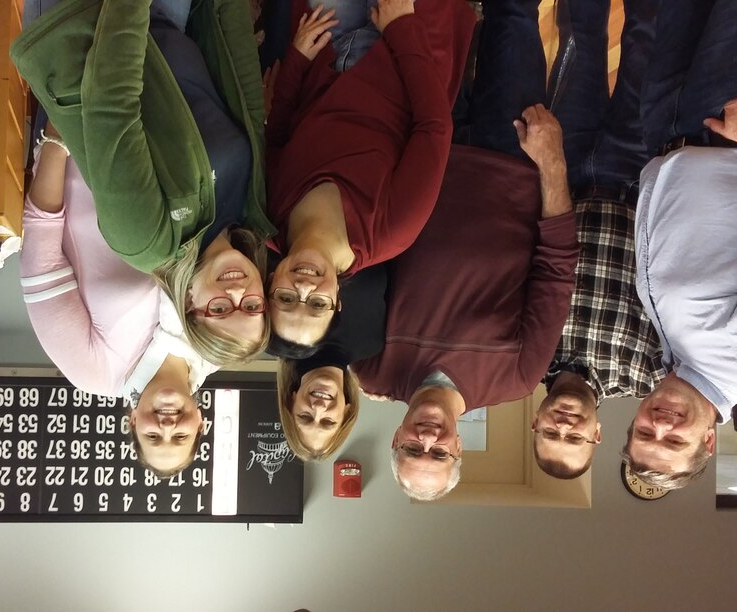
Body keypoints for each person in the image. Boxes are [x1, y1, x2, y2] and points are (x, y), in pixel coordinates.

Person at [354, 0, 580, 501]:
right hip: (514, 156)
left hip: (426, 144)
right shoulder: (517, 379)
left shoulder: (372, 367)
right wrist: (551, 163)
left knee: (440, 12)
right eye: (439, 453)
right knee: (516, 17)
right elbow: (555, 271)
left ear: (395, 439)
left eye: (414, 450)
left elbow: (369, 254)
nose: (428, 440)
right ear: (460, 448)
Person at [11, 0, 276, 367]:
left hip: (88, 22)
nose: (236, 292)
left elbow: (112, 104)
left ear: (188, 305)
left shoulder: (148, 241)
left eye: (220, 308)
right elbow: (244, 100)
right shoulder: (250, 215)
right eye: (251, 306)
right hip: (170, 21)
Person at [622, 0, 737, 490]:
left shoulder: (674, 356)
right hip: (736, 120)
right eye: (673, 441)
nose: (661, 424)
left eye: (645, 431)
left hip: (673, 124)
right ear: (708, 441)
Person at [263, 0, 477, 350]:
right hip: (402, 51)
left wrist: (297, 59)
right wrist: (403, 29)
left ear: (272, 283)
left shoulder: (270, 217)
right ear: (337, 301)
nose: (303, 288)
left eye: (286, 299)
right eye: (317, 305)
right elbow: (434, 127)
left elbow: (277, 138)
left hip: (324, 48)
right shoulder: (392, 232)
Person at [20, 121, 217, 477]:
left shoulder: (94, 372)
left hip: (86, 138)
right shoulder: (213, 349)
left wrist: (58, 136)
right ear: (201, 423)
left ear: (132, 422)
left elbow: (41, 250)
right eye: (181, 436)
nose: (168, 425)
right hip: (174, 136)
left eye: (154, 436)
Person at [535, 0, 666, 480]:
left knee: (581, 35)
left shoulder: (527, 352)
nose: (564, 426)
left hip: (564, 167)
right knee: (645, 44)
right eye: (574, 437)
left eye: (552, 433)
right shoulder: (645, 375)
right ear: (597, 435)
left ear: (535, 422)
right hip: (638, 175)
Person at [272, 265, 386, 460]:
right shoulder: (372, 343)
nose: (318, 408)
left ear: (292, 401)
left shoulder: (273, 337)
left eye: (305, 417)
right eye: (328, 421)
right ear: (346, 410)